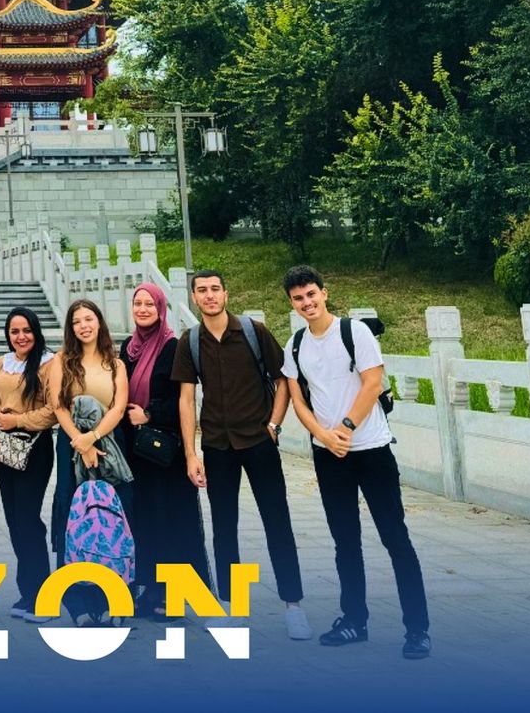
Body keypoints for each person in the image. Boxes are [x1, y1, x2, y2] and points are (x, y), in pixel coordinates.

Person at [281, 264, 431, 660]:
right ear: (292, 304)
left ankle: (417, 630)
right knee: (345, 541)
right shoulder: (295, 345)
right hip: (329, 455)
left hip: (372, 449)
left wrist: (345, 428)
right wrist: (324, 435)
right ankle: (354, 621)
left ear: (324, 293)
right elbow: (298, 399)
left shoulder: (355, 332)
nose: (307, 302)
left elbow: (372, 383)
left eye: (311, 294)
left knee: (395, 538)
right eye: (298, 298)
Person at [171, 269, 310, 641]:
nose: (210, 295)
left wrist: (274, 423)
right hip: (217, 445)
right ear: (194, 298)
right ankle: (233, 607)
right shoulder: (190, 341)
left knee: (277, 522)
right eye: (202, 290)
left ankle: (293, 605)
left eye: (215, 289)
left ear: (225, 294)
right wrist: (191, 453)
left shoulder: (253, 331)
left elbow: (283, 378)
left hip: (259, 441)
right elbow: (186, 399)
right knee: (224, 528)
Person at [119, 282, 211, 617]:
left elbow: (182, 399)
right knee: (145, 521)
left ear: (161, 309)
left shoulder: (173, 346)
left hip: (164, 451)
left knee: (170, 521)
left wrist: (150, 413)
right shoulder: (127, 348)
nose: (143, 309)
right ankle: (150, 589)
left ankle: (173, 596)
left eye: (149, 304)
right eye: (138, 303)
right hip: (135, 451)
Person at [49, 298, 130, 626]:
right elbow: (58, 406)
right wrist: (80, 443)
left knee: (111, 519)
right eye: (77, 321)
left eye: (88, 319)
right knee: (74, 516)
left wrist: (93, 437)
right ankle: (78, 604)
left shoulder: (116, 363)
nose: (83, 326)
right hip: (71, 444)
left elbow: (119, 407)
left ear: (99, 322)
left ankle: (113, 601)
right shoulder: (61, 361)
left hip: (109, 443)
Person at [0, 306, 56, 620]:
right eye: (15, 331)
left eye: (26, 330)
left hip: (34, 447)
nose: (21, 337)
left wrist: (18, 421)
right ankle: (27, 592)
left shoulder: (49, 363)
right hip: (4, 449)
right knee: (13, 520)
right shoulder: (3, 363)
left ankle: (43, 595)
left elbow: (54, 410)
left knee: (28, 519)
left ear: (36, 331)